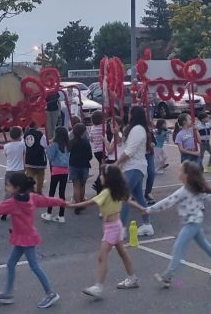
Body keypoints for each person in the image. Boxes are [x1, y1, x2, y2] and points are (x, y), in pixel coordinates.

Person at [0, 172, 65, 309]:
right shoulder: (32, 198)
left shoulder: (12, 203)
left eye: (8, 186)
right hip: (23, 238)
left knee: (34, 266)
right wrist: (63, 203)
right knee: (11, 263)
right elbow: (49, 200)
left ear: (17, 188)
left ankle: (50, 293)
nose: (6, 187)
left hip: (26, 239)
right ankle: (8, 293)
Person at [140, 161, 211, 286]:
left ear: (187, 175)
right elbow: (210, 197)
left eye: (180, 171)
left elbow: (167, 202)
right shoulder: (195, 189)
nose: (178, 173)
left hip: (192, 223)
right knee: (204, 244)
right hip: (195, 222)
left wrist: (149, 210)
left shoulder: (185, 191)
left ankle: (168, 276)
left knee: (178, 247)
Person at [65, 165, 139, 297]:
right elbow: (129, 201)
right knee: (123, 253)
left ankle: (99, 286)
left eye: (102, 175)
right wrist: (141, 208)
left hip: (112, 228)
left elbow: (90, 203)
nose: (100, 177)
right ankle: (132, 278)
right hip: (115, 225)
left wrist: (72, 205)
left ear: (108, 178)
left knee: (102, 256)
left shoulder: (106, 193)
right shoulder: (117, 190)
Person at [116, 106, 155, 237]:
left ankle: (121, 229)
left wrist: (116, 163)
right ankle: (147, 225)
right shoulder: (135, 129)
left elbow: (129, 151)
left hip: (134, 166)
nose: (128, 115)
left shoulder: (138, 130)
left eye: (130, 113)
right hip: (133, 166)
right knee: (139, 196)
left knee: (123, 196)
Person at [68, 123, 92, 214]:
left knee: (76, 186)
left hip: (74, 165)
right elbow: (90, 156)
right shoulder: (86, 142)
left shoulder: (72, 142)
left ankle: (77, 205)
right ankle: (82, 202)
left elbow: (68, 152)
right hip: (84, 165)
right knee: (82, 185)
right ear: (83, 132)